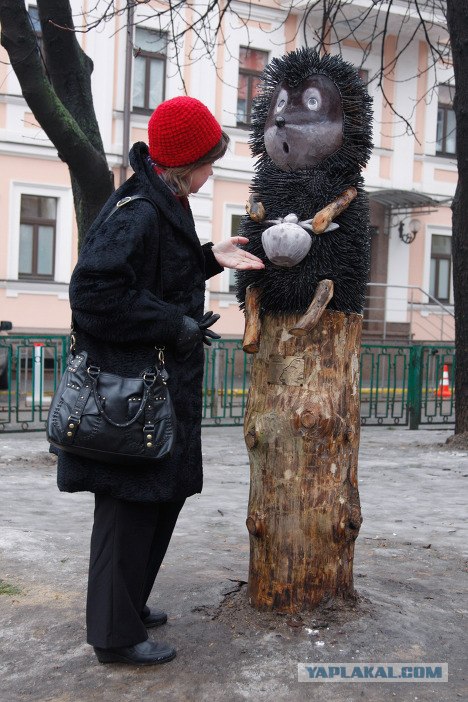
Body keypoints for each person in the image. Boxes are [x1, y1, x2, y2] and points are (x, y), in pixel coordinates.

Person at [56, 96, 264, 666]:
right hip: (131, 396)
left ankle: (128, 604)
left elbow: (156, 274)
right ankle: (114, 636)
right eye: (209, 162)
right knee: (127, 510)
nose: (211, 173)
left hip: (154, 392)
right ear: (184, 161)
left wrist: (208, 258)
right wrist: (175, 324)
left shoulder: (159, 199)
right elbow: (93, 294)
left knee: (156, 502)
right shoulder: (140, 210)